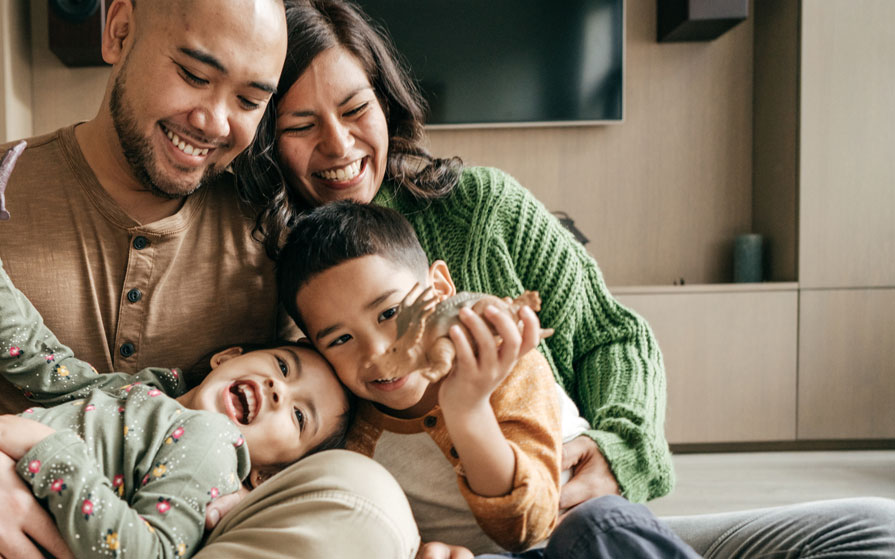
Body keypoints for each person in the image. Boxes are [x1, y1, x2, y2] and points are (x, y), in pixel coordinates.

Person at [235, 0, 895, 557]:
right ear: (265, 137)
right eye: (301, 125)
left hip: (578, 519)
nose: (338, 144)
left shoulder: (481, 207)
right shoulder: (257, 261)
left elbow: (613, 337)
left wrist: (616, 451)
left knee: (873, 528)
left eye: (355, 109)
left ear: (386, 103)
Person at [0, 0, 419, 557]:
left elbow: (330, 417)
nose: (213, 122)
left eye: (249, 100)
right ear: (119, 31)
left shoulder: (274, 237)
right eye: (194, 75)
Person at [0, 189, 351, 558]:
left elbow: (147, 553)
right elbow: (37, 361)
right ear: (228, 357)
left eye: (299, 416)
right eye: (283, 367)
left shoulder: (214, 448)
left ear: (267, 476)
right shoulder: (144, 395)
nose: (278, 390)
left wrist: (47, 451)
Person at [274, 201, 699, 559]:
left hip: (581, 537)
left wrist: (467, 410)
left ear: (440, 287)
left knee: (598, 524)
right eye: (341, 339)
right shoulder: (354, 437)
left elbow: (528, 526)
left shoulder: (508, 366)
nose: (376, 351)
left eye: (390, 313)